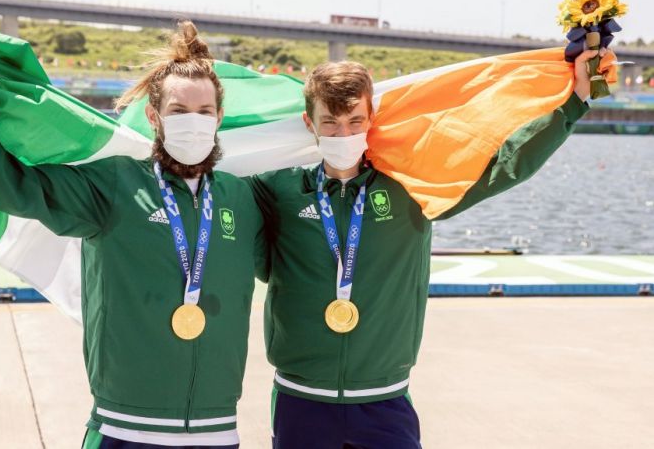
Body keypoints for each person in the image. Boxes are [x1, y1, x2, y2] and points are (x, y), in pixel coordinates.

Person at [0, 21, 265, 449]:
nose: (193, 123)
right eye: (179, 111)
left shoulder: (243, 197)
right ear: (154, 116)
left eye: (204, 112)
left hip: (217, 431)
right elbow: (11, 185)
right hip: (123, 428)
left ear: (219, 116)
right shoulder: (115, 184)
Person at [249, 49, 601, 449]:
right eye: (329, 122)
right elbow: (213, 184)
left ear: (371, 120)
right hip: (301, 400)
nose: (343, 134)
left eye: (355, 121)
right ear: (308, 123)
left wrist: (576, 102)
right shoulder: (276, 190)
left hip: (384, 401)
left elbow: (506, 165)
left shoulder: (412, 186)